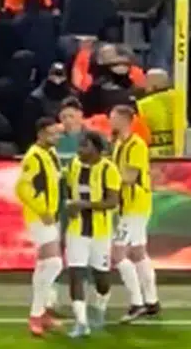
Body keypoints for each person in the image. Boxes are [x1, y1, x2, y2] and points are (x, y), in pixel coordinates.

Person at [63, 131, 121, 336]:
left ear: (96, 149)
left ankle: (100, 305)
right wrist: (69, 206)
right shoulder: (73, 165)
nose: (79, 150)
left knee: (101, 279)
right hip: (76, 230)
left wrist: (84, 205)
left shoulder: (109, 169)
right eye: (79, 146)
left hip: (100, 232)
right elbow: (67, 190)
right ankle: (81, 322)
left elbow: (112, 202)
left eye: (84, 146)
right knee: (76, 274)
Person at [110, 104, 161, 322]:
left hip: (134, 206)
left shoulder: (136, 145)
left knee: (118, 254)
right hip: (129, 206)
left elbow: (129, 177)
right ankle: (152, 301)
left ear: (124, 120)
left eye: (113, 118)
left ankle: (137, 302)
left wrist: (104, 178)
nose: (110, 121)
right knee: (139, 253)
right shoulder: (119, 144)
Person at [16, 116, 65, 337]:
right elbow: (22, 188)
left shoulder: (51, 154)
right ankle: (36, 314)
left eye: (57, 133)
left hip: (51, 215)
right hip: (39, 217)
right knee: (54, 263)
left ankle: (41, 312)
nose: (56, 137)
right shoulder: (33, 156)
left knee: (44, 264)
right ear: (41, 134)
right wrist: (41, 209)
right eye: (52, 133)